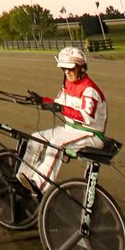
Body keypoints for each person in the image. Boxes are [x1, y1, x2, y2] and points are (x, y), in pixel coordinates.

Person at [17, 46, 107, 195]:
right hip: (71, 130)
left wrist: (60, 108)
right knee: (36, 138)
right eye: (64, 69)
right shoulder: (68, 85)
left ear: (81, 68)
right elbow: (58, 103)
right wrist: (41, 100)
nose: (67, 72)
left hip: (91, 134)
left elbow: (86, 117)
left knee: (56, 144)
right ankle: (22, 178)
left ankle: (38, 185)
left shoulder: (89, 90)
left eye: (70, 69)